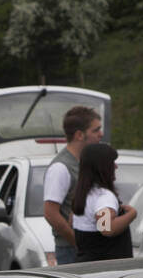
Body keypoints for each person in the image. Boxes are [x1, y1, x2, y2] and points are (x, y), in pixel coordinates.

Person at [42, 106, 104, 265]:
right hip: (72, 252)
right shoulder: (61, 168)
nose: (101, 134)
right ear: (79, 135)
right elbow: (50, 213)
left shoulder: (84, 162)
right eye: (96, 130)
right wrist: (78, 242)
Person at [70, 143, 136, 262]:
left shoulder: (83, 195)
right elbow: (107, 229)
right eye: (112, 163)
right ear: (103, 167)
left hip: (84, 264)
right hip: (105, 269)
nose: (116, 167)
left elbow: (72, 222)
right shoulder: (104, 197)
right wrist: (131, 214)